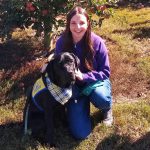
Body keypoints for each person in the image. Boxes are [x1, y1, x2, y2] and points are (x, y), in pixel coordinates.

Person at [55, 6, 113, 140]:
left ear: (88, 23)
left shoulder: (97, 42)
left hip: (94, 83)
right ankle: (80, 105)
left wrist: (85, 76)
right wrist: (48, 64)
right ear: (68, 24)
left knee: (101, 98)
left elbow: (105, 71)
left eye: (82, 23)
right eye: (73, 23)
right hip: (73, 87)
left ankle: (107, 108)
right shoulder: (62, 42)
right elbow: (57, 64)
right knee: (80, 134)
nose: (77, 27)